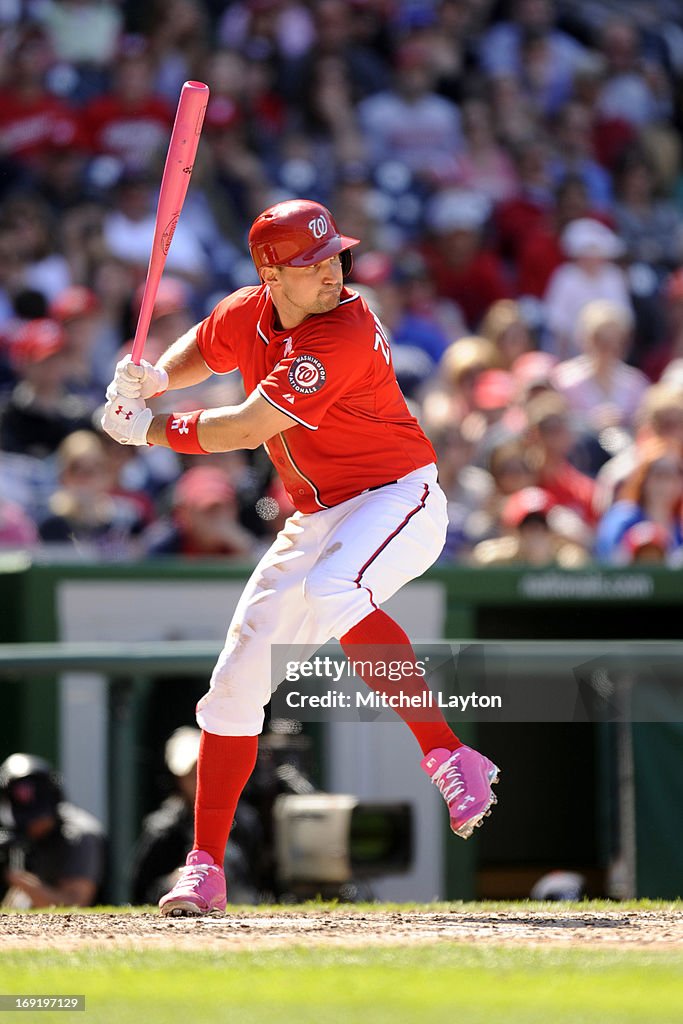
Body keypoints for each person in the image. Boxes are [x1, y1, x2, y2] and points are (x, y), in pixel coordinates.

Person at [101, 198, 500, 916]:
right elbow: (207, 341)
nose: (332, 272)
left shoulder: (342, 330)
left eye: (334, 255)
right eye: (313, 262)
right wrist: (157, 376)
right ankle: (204, 869)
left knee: (335, 586)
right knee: (233, 682)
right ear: (270, 271)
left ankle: (448, 753)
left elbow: (249, 426)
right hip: (319, 514)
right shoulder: (248, 308)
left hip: (395, 496)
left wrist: (151, 429)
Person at [0, 753, 106, 908]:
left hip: (91, 931)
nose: (33, 826)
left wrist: (15, 877)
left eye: (38, 817)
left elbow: (75, 904)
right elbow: (15, 904)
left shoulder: (79, 835)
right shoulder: (22, 837)